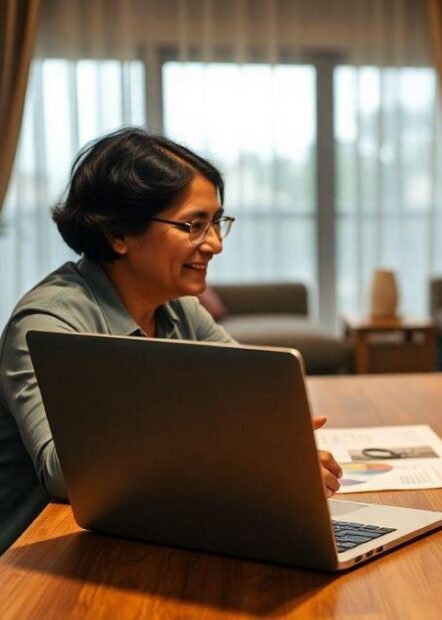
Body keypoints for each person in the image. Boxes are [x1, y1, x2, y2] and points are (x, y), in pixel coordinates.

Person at [0, 129, 343, 537]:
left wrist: (280, 452)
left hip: (150, 524)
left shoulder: (177, 307)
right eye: (194, 225)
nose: (214, 244)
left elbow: (255, 401)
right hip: (44, 550)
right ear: (118, 233)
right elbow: (64, 473)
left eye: (216, 222)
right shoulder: (47, 323)